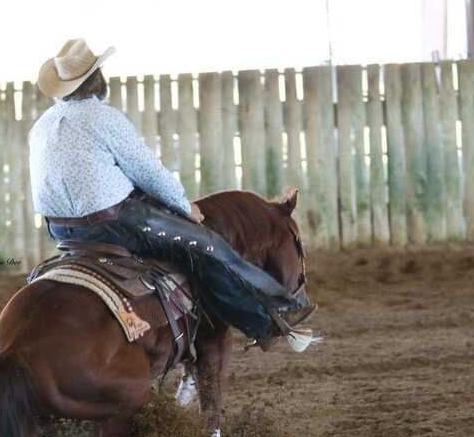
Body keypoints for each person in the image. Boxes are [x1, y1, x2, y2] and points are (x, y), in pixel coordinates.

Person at [28, 38, 315, 349]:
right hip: (112, 222)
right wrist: (183, 206)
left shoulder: (42, 125)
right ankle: (266, 323)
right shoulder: (104, 118)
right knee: (206, 247)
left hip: (61, 229)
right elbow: (147, 171)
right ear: (98, 78)